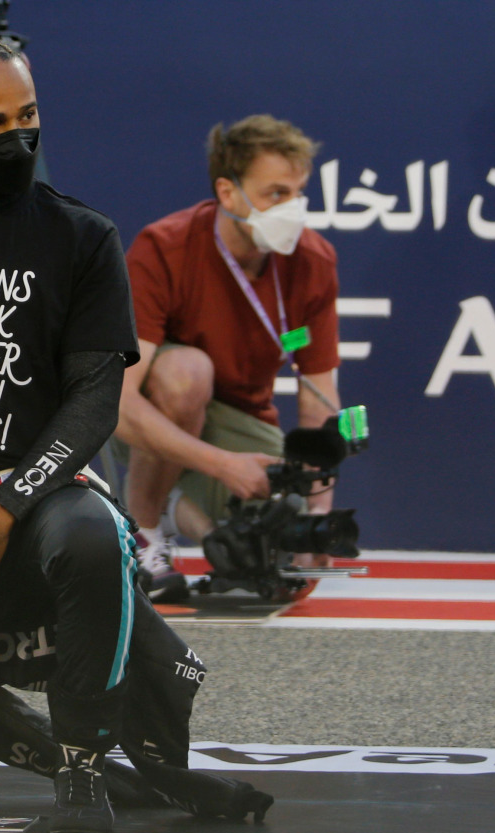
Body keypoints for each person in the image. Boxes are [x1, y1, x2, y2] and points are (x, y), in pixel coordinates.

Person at [0, 39, 272, 833]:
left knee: (96, 536)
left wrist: (3, 511)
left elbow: (97, 399)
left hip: (39, 498)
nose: (16, 135)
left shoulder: (81, 236)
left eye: (27, 115)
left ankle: (83, 765)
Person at [115, 115, 342, 602]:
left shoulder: (312, 260)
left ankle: (178, 508)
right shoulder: (165, 248)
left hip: (238, 420)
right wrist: (222, 465)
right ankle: (146, 535)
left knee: (284, 559)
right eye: (275, 194)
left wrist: (319, 511)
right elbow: (115, 402)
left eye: (299, 194)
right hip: (154, 419)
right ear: (228, 191)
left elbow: (319, 396)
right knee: (186, 373)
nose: (293, 210)